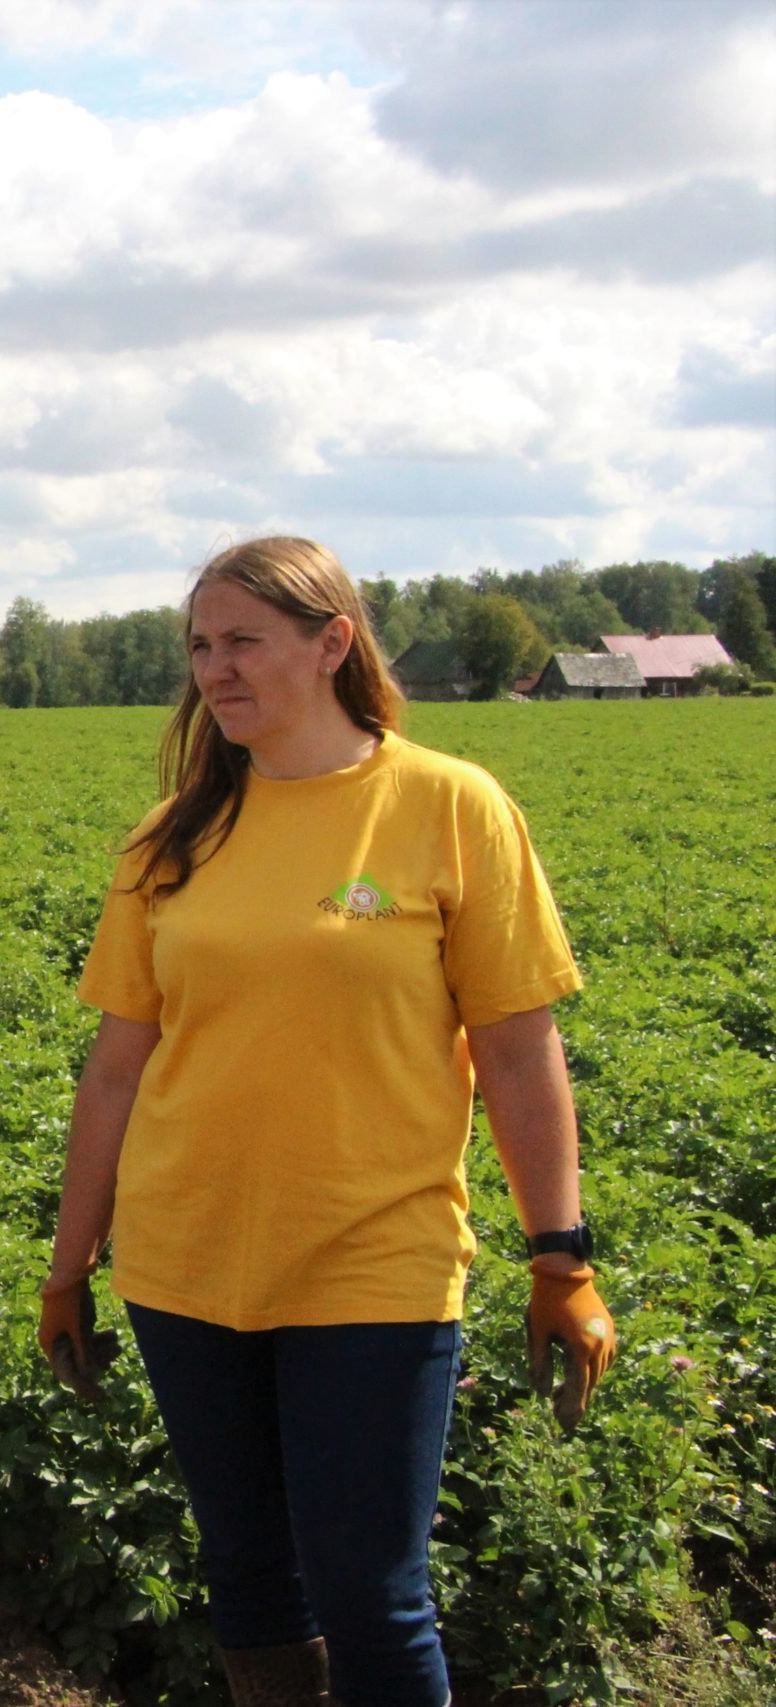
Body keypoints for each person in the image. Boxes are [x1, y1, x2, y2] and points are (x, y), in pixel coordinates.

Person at [39, 536, 616, 1707]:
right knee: (248, 1576)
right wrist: (67, 1265)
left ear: (332, 642)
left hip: (373, 1257)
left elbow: (515, 1045)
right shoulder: (170, 838)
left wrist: (559, 1254)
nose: (215, 669)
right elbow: (115, 1072)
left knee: (369, 1590)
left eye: (243, 640)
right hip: (184, 1261)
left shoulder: (447, 807)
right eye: (200, 646)